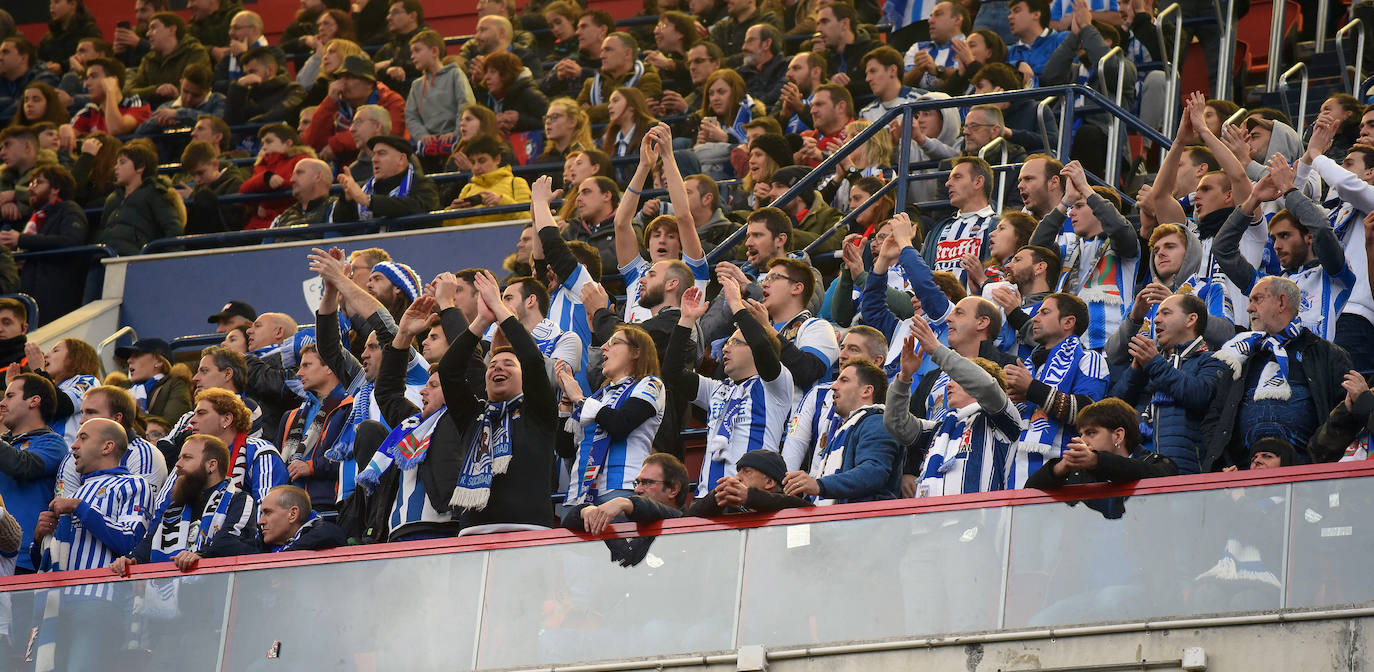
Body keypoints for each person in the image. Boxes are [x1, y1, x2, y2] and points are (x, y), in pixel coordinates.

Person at [440, 271, 557, 533]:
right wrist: (481, 320)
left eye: (508, 364)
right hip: (473, 535)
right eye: (492, 365)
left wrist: (501, 310)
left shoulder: (538, 411)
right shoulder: (473, 415)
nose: (497, 368)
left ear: (523, 376)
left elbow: (533, 360)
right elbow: (448, 372)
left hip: (530, 532)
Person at [31, 418, 151, 670]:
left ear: (108, 447)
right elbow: (49, 561)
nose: (73, 446)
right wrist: (40, 539)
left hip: (98, 602)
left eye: (83, 438)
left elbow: (131, 541)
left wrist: (79, 508)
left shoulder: (133, 484)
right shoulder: (74, 493)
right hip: (55, 607)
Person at [1202, 276, 1354, 471]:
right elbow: (1214, 420)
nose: (1249, 309)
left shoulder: (1327, 354)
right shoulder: (1239, 358)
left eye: (1257, 299)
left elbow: (1346, 415)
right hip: (1244, 484)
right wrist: (1225, 466)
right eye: (1249, 302)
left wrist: (1321, 465)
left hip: (1310, 484)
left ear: (1281, 302)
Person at [666, 281, 794, 496]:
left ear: (753, 349)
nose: (726, 348)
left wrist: (736, 305)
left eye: (735, 343)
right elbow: (673, 372)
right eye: (726, 343)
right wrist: (686, 321)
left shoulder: (776, 385)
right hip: (709, 497)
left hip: (752, 495)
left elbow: (762, 345)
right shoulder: (716, 389)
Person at [353, 296, 461, 541]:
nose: (423, 390)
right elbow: (387, 391)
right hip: (397, 533)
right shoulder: (413, 425)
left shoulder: (461, 420)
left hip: (443, 531)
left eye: (433, 385)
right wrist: (403, 335)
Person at [1215, 157, 1355, 343]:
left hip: (1310, 368)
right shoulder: (1266, 284)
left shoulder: (1334, 276)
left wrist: (1289, 189)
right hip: (1266, 368)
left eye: (1285, 236)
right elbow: (1222, 250)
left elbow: (1321, 229)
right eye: (1273, 239)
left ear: (1309, 237)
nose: (1276, 246)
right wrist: (1254, 199)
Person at [886, 318, 1024, 496]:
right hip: (928, 520)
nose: (948, 386)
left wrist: (937, 350)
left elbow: (986, 387)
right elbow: (897, 424)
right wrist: (904, 377)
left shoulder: (1001, 419)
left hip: (979, 519)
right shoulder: (940, 428)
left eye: (956, 380)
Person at [1108, 293, 1227, 475]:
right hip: (1142, 470)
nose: (1156, 320)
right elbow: (1113, 411)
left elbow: (1198, 395)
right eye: (1157, 315)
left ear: (1191, 319)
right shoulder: (1152, 364)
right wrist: (1136, 372)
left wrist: (1154, 363)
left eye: (1166, 313)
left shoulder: (1213, 360)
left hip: (1187, 474)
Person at [1029, 160, 1139, 351]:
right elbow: (1033, 252)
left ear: (1100, 211)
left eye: (1079, 206)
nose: (1071, 213)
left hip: (1109, 347)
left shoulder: (1122, 246)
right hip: (1064, 348)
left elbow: (1120, 229)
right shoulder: (1067, 246)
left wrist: (1086, 190)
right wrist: (1065, 201)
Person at [1003, 292, 1109, 485]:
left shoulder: (1090, 359)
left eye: (1044, 312)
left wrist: (1031, 389)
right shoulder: (1029, 367)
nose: (1035, 318)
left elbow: (1087, 413)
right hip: (1014, 479)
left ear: (1068, 323)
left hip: (1063, 481)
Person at [111, 433, 254, 573]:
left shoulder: (238, 500)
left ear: (211, 465)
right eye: (179, 458)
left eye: (187, 458)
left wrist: (201, 555)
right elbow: (146, 547)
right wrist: (129, 560)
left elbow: (233, 542)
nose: (178, 464)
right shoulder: (173, 508)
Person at [558, 321, 665, 506]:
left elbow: (621, 424)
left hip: (620, 490)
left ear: (636, 352)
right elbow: (565, 449)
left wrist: (580, 399)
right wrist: (567, 402)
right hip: (578, 495)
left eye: (614, 342)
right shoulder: (599, 397)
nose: (603, 347)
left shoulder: (650, 384)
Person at [1025, 396, 1178, 490]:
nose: (1082, 440)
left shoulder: (1157, 464)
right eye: (1081, 434)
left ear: (1118, 436)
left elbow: (1151, 474)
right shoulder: (1079, 472)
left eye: (1091, 433)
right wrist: (1060, 468)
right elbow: (1030, 491)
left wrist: (1097, 461)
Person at [0, 165, 84, 322]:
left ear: (56, 188)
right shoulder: (37, 217)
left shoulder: (69, 209)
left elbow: (71, 240)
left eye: (38, 183)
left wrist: (21, 239)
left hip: (56, 294)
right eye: (30, 183)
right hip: (33, 292)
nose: (30, 189)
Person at [0, 373, 66, 572]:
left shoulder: (53, 443)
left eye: (10, 396)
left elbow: (23, 466)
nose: (2, 403)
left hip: (24, 561)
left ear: (34, 401)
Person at [278, 345, 351, 517]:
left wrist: (311, 467)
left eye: (306, 366)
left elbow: (351, 459)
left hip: (330, 507)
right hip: (288, 509)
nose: (298, 374)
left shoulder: (351, 407)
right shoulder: (290, 417)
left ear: (329, 368)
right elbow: (277, 465)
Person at [186, 387, 287, 502]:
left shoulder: (260, 452)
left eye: (201, 413)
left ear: (226, 419)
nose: (192, 420)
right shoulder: (188, 454)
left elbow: (267, 508)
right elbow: (163, 505)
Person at [304, 54, 406, 164]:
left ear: (369, 83)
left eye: (349, 77)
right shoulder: (334, 104)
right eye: (340, 78)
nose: (342, 84)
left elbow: (389, 133)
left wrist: (336, 144)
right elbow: (312, 141)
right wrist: (329, 102)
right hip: (343, 170)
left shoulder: (391, 101)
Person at [562, 452, 690, 533]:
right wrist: (586, 511)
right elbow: (568, 524)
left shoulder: (690, 522)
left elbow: (666, 513)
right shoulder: (629, 517)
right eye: (637, 483)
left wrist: (625, 502)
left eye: (647, 483)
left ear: (673, 490)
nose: (637, 489)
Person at [203, 484, 346, 554]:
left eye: (268, 513)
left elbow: (329, 534)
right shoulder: (266, 546)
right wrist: (200, 555)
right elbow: (221, 544)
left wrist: (280, 560)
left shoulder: (325, 533)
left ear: (293, 514)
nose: (260, 521)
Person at [96, 143, 185, 255]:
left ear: (140, 167)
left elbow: (172, 228)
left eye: (122, 162)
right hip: (103, 257)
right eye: (116, 163)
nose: (116, 167)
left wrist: (170, 262)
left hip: (134, 259)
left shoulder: (155, 193)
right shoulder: (112, 199)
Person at [404, 29, 474, 165]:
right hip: (428, 145)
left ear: (434, 52)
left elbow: (466, 103)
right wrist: (422, 135)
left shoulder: (455, 74)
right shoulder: (416, 85)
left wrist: (456, 132)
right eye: (412, 52)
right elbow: (410, 115)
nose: (412, 56)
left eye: (417, 51)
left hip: (455, 141)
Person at [331, 135, 439, 222]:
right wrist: (347, 200)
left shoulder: (423, 185)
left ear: (401, 159)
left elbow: (415, 207)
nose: (374, 159)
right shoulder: (364, 188)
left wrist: (368, 200)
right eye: (373, 154)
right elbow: (340, 222)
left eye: (381, 154)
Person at [687, 448, 811, 515]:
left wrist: (749, 496)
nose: (737, 478)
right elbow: (686, 520)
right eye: (738, 471)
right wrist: (715, 498)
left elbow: (804, 507)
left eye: (747, 471)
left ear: (769, 482)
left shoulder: (791, 508)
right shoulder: (729, 509)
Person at [123, 12, 211, 104]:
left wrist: (175, 91)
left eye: (153, 27)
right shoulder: (148, 59)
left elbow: (198, 86)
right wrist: (156, 90)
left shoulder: (195, 52)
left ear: (172, 30)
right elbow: (130, 91)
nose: (148, 34)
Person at [446, 134, 531, 225]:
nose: (476, 168)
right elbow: (452, 231)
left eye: (482, 161)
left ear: (497, 159)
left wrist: (502, 202)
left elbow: (529, 220)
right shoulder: (467, 189)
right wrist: (453, 212)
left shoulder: (516, 183)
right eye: (473, 162)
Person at [578, 32, 661, 124]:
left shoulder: (647, 78)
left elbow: (640, 108)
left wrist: (592, 111)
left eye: (608, 50)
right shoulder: (591, 84)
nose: (602, 56)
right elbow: (578, 115)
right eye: (602, 51)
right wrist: (624, 107)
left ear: (627, 53)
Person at [30, 338, 100, 445]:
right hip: (44, 450)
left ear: (75, 357)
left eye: (55, 350)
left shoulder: (87, 380)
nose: (46, 355)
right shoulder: (52, 387)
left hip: (70, 454)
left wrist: (39, 372)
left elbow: (64, 405)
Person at [175, 139, 249, 234]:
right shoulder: (199, 188)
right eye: (193, 175)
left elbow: (229, 223)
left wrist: (194, 197)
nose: (197, 180)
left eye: (200, 173)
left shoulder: (235, 184)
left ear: (215, 164)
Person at [810, 3, 882, 99]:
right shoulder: (823, 60)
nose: (818, 29)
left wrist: (840, 88)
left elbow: (883, 82)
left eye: (824, 22)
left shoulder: (874, 50)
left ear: (844, 24)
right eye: (818, 24)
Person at [115, 338, 193, 422]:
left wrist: (130, 415)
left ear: (159, 361)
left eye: (137, 355)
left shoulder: (175, 385)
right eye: (129, 357)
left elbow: (171, 423)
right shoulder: (121, 387)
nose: (129, 360)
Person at [225, 47, 306, 125]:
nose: (248, 77)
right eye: (246, 74)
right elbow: (231, 121)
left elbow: (283, 112)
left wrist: (252, 123)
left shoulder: (293, 89)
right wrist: (238, 87)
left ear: (270, 70)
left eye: (252, 71)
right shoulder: (246, 94)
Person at [371, 0, 429, 95]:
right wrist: (388, 70)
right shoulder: (388, 47)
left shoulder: (429, 40)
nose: (388, 17)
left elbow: (426, 65)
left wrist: (391, 63)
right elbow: (371, 69)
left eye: (395, 12)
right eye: (389, 13)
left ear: (412, 16)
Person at [1005, 0, 1068, 85]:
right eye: (1010, 13)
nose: (1010, 17)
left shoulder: (1062, 39)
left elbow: (1068, 74)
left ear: (1036, 14)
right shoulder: (1007, 52)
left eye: (1017, 11)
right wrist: (1016, 65)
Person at [0, 38, 59, 125]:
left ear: (23, 58)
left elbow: (24, 112)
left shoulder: (44, 78)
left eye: (5, 52)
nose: (0, 57)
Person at [37, 0, 103, 77]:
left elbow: (93, 59)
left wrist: (62, 67)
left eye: (56, 2)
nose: (52, 6)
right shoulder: (48, 38)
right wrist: (45, 66)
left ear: (72, 4)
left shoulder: (89, 31)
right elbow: (39, 61)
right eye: (50, 3)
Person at [857, 46, 922, 123]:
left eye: (873, 71)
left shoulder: (921, 101)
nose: (867, 79)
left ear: (892, 70)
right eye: (866, 74)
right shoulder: (866, 114)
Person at [270, 158, 338, 228]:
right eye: (293, 175)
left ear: (318, 176)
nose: (291, 180)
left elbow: (345, 212)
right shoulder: (281, 218)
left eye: (299, 173)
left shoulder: (335, 207)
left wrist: (349, 201)